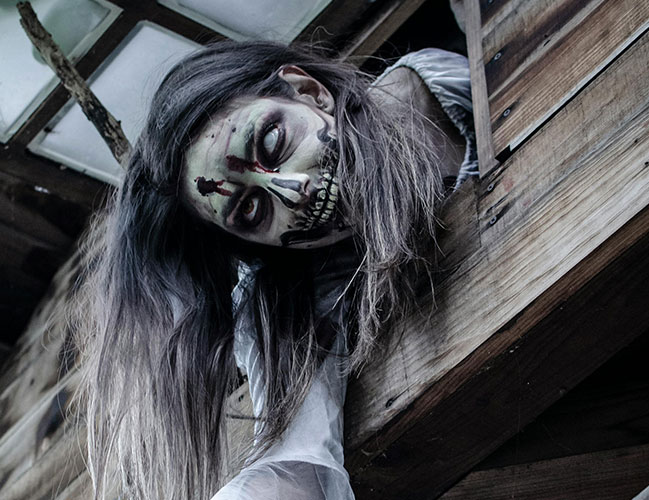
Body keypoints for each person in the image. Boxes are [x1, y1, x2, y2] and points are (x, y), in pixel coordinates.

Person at [72, 41, 476, 500]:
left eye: (272, 142)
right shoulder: (293, 298)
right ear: (252, 245)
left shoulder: (427, 89)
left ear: (309, 91)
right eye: (250, 210)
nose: (292, 190)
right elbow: (292, 463)